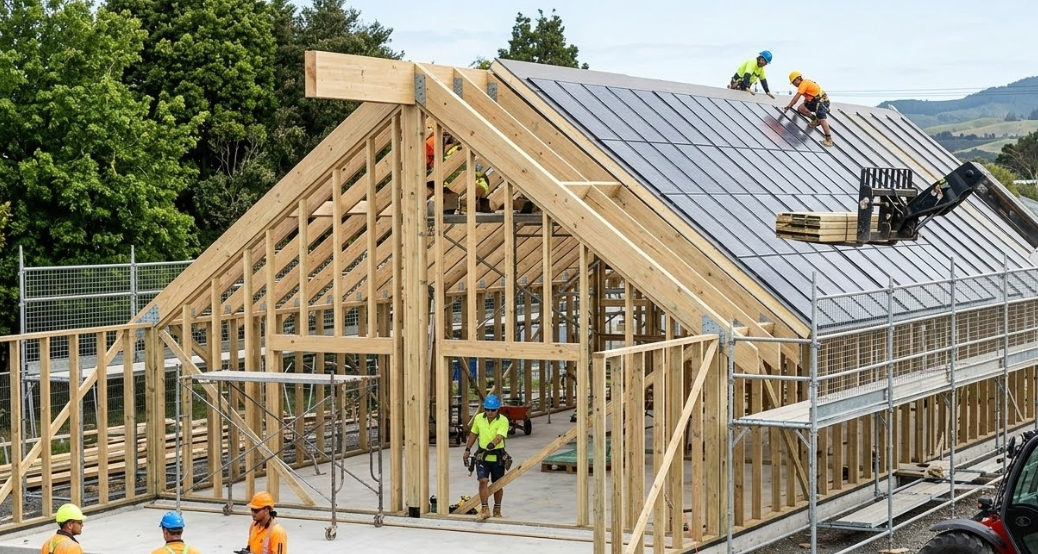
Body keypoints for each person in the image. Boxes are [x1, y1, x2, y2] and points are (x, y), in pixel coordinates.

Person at [462, 393, 510, 521]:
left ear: (497, 409)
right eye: (487, 409)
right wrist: (467, 449)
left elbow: (500, 436)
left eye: (493, 410)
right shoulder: (478, 418)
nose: (490, 412)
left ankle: (497, 509)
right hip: (483, 455)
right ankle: (485, 509)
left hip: (497, 455)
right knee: (483, 481)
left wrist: (492, 443)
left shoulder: (503, 420)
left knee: (498, 484)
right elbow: (473, 434)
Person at [783, 71, 834, 147]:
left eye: (794, 82)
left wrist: (789, 106)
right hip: (814, 102)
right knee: (801, 108)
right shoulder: (805, 83)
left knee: (822, 119)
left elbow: (796, 97)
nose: (794, 84)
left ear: (798, 78)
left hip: (822, 102)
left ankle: (829, 140)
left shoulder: (804, 83)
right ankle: (814, 120)